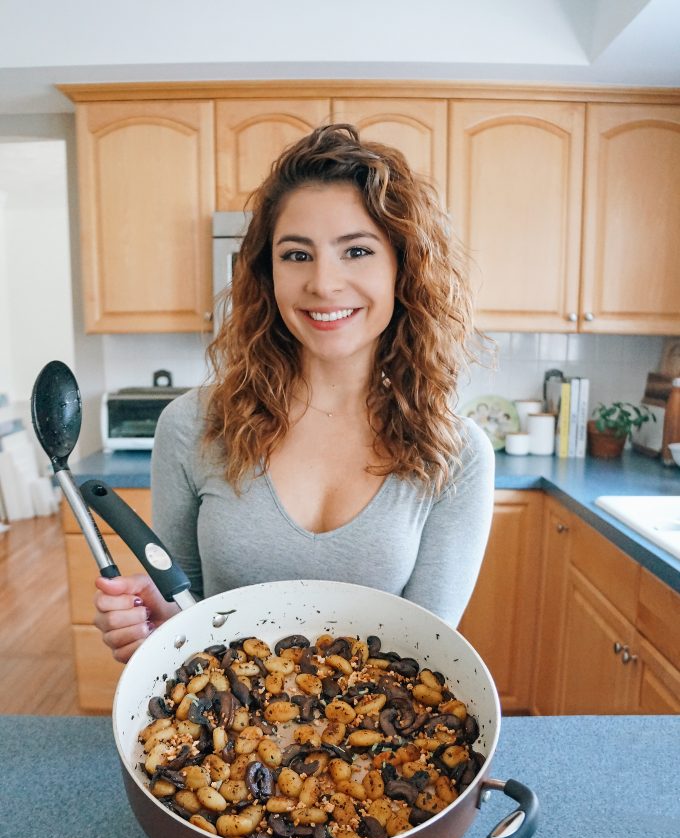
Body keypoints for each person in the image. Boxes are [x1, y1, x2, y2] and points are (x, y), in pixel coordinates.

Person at [93, 123, 495, 664]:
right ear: (268, 275)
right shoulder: (192, 425)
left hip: (380, 743)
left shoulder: (456, 454)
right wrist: (154, 624)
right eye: (297, 255)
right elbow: (182, 616)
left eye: (356, 251)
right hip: (220, 738)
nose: (324, 284)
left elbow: (428, 655)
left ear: (403, 267)